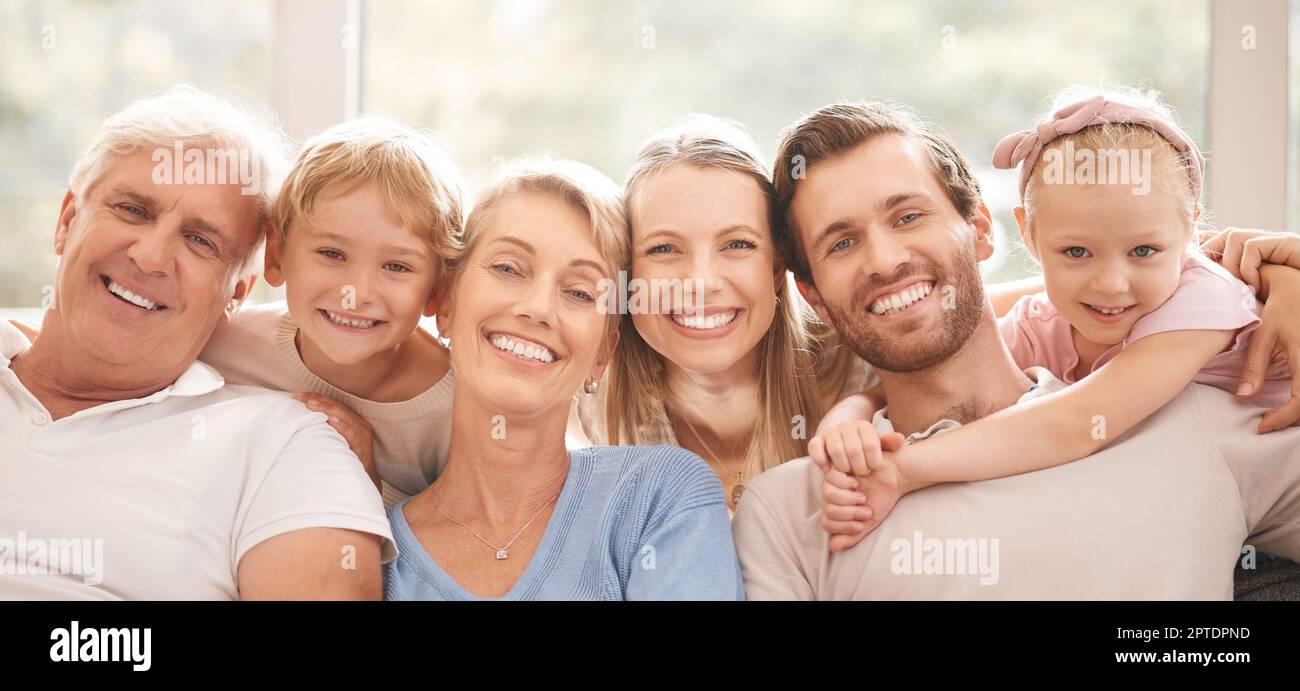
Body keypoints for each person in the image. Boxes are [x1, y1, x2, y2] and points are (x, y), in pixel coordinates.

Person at [731, 100, 1300, 599]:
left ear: (981, 228)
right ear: (813, 298)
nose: (883, 260)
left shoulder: (1184, 410)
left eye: (908, 216)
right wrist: (851, 415)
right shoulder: (795, 508)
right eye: (843, 242)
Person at [0, 86, 394, 600]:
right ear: (67, 219)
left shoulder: (286, 445)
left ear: (235, 293)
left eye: (201, 241)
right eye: (133, 210)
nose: (150, 256)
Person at [384, 159, 743, 600]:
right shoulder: (379, 557)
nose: (537, 308)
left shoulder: (657, 497)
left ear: (602, 355)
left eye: (578, 292)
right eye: (508, 268)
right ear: (446, 303)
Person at [200, 116, 466, 507]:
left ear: (439, 290)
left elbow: (466, 544)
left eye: (396, 267)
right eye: (332, 254)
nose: (355, 295)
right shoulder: (224, 345)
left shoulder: (458, 413)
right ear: (276, 256)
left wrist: (366, 479)